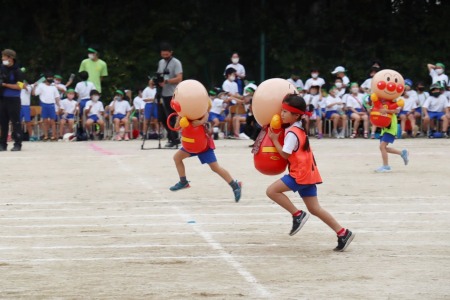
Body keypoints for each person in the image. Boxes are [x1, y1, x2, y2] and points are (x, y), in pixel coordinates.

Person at [266, 93, 354, 251]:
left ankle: (297, 214)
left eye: (285, 111)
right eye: (282, 110)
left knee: (272, 191)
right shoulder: (297, 128)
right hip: (309, 173)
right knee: (315, 209)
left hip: (300, 173)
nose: (282, 114)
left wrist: (273, 139)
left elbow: (285, 154)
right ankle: (343, 233)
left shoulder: (292, 132)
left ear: (296, 114)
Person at [168, 111, 242, 202]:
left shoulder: (197, 108)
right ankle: (183, 182)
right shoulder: (184, 111)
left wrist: (201, 122)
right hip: (191, 143)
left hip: (203, 144)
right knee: (177, 158)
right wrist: (179, 117)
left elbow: (205, 113)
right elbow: (176, 127)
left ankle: (235, 185)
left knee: (215, 167)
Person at [156, 42, 183, 148]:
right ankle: (171, 137)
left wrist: (167, 81)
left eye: (167, 55)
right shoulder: (161, 62)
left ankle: (175, 138)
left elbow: (179, 78)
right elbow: (159, 75)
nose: (165, 57)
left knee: (171, 116)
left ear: (171, 53)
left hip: (173, 93)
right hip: (162, 93)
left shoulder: (176, 62)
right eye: (163, 55)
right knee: (162, 117)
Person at [0, 49, 25, 151]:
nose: (2, 59)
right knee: (3, 122)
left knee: (16, 122)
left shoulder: (18, 71)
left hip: (13, 100)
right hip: (2, 99)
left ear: (10, 58)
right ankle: (2, 144)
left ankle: (18, 144)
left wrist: (5, 84)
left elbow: (20, 86)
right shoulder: (1, 68)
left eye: (4, 57)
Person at [375, 102, 409, 173]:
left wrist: (386, 111)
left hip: (391, 128)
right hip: (384, 129)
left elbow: (397, 110)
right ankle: (402, 153)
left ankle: (386, 166)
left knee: (382, 147)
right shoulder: (382, 101)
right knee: (383, 148)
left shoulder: (393, 102)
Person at [33, 72, 61, 141]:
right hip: (44, 105)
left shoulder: (54, 87)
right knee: (45, 121)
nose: (50, 79)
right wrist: (34, 86)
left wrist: (59, 106)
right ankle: (46, 136)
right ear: (45, 79)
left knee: (52, 121)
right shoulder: (41, 86)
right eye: (49, 77)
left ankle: (53, 136)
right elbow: (34, 94)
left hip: (52, 105)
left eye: (51, 78)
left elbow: (57, 97)